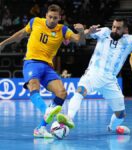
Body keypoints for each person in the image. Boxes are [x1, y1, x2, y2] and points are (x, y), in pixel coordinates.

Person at [56, 10, 132, 135]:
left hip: (110, 80)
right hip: (93, 73)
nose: (115, 30)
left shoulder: (130, 40)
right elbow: (82, 37)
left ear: (125, 30)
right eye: (114, 27)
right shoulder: (105, 32)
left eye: (118, 28)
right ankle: (68, 119)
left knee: (121, 115)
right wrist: (84, 31)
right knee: (80, 92)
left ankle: (112, 127)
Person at [0, 4, 85, 138]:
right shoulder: (35, 22)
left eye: (55, 18)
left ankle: (40, 128)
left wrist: (81, 31)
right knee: (34, 85)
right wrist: (3, 43)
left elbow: (80, 41)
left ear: (59, 18)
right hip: (32, 62)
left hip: (48, 67)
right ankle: (47, 111)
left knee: (62, 93)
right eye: (50, 17)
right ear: (46, 16)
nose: (52, 20)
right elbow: (20, 35)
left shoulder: (62, 29)